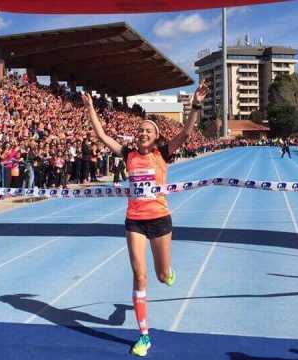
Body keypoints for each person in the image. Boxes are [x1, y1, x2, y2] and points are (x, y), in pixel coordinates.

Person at [81, 80, 208, 357]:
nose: (142, 132)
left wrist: (196, 104)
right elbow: (103, 136)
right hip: (135, 221)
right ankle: (144, 336)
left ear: (156, 137)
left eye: (147, 130)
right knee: (140, 276)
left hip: (160, 219)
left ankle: (168, 272)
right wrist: (91, 109)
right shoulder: (127, 155)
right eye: (140, 129)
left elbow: (186, 132)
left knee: (162, 276)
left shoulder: (163, 153)